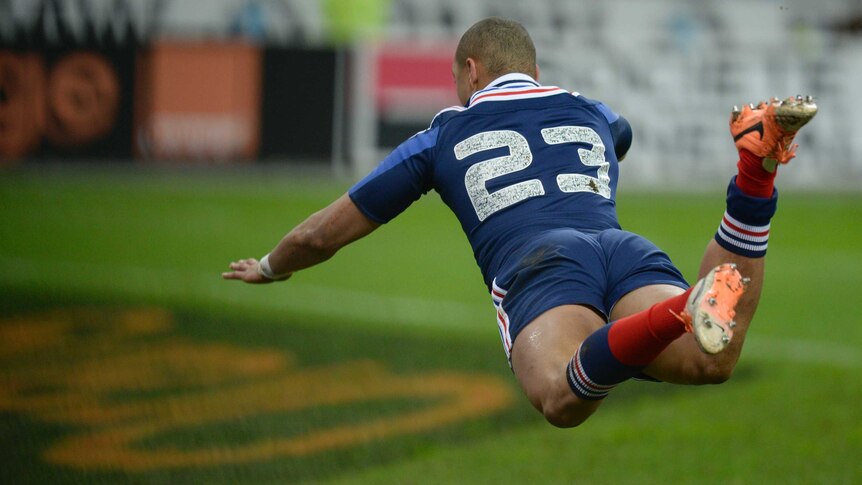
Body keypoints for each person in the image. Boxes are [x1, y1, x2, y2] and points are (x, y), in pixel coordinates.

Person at [223, 17, 817, 428]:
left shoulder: (441, 137)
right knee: (711, 360)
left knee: (563, 396)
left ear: (473, 70)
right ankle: (754, 171)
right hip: (621, 245)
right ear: (532, 68)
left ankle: (679, 310)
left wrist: (272, 268)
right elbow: (619, 137)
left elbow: (319, 235)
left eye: (459, 79)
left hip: (542, 263)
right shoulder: (595, 112)